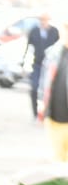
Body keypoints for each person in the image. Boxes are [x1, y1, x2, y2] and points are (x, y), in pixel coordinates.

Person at [38, 30, 68, 161]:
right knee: (59, 159)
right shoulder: (53, 53)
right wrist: (41, 103)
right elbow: (44, 81)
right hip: (55, 116)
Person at [25, 14, 59, 118]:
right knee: (34, 88)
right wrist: (26, 63)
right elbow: (29, 48)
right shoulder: (34, 31)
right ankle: (35, 113)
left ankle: (48, 112)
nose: (43, 22)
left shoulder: (54, 32)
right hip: (37, 64)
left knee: (49, 90)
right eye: (41, 20)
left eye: (45, 20)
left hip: (50, 66)